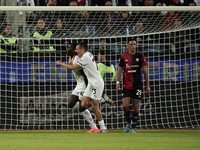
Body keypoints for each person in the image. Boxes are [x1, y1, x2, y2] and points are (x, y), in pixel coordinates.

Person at [56, 42, 109, 133]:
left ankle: (101, 128)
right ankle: (99, 99)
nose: (76, 51)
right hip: (86, 84)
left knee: (93, 107)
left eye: (76, 49)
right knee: (81, 105)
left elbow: (74, 68)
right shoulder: (78, 57)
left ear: (81, 49)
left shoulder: (83, 58)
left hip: (90, 84)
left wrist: (61, 63)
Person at [116, 38, 151, 133]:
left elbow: (145, 71)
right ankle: (128, 122)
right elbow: (119, 70)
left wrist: (147, 85)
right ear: (127, 45)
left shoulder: (140, 56)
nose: (133, 46)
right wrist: (118, 82)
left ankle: (133, 128)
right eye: (131, 44)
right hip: (126, 85)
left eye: (134, 44)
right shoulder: (123, 56)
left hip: (137, 85)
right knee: (125, 105)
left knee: (135, 106)